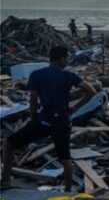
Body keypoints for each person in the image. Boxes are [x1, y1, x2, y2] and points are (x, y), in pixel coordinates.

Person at [2, 46, 96, 191]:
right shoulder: (69, 76)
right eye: (67, 58)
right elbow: (91, 91)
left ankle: (6, 181)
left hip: (44, 120)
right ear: (61, 58)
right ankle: (68, 191)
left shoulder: (37, 74)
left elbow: (33, 99)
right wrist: (75, 107)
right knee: (65, 158)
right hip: (63, 121)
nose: (68, 61)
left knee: (10, 143)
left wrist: (33, 117)